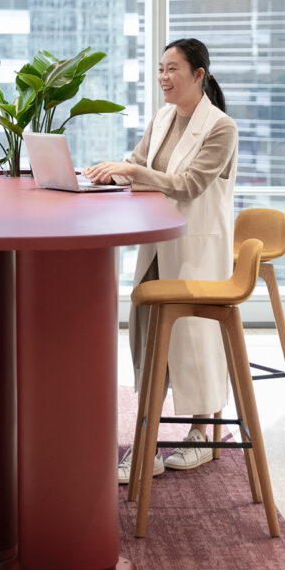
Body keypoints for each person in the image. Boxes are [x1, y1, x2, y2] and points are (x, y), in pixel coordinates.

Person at [84, 38, 237, 482]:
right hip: (157, 245)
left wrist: (134, 172)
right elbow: (136, 163)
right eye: (160, 69)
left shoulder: (221, 128)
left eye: (172, 69)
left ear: (198, 75)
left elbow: (188, 184)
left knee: (193, 344)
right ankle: (147, 442)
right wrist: (107, 172)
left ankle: (202, 435)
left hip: (196, 250)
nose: (163, 78)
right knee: (151, 342)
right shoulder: (163, 117)